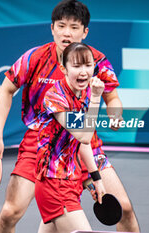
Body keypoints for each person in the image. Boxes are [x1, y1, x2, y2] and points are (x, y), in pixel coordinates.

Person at [0, 0, 140, 232]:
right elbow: (6, 90)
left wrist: (115, 115)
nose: (67, 33)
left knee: (124, 208)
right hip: (43, 143)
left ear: (85, 31)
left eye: (74, 27)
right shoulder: (35, 58)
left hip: (83, 142)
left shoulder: (95, 61)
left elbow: (113, 98)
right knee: (11, 212)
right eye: (61, 26)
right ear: (52, 28)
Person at [35, 42, 106, 233]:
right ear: (63, 69)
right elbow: (83, 135)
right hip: (54, 183)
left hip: (70, 182)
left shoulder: (82, 96)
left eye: (88, 65)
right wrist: (97, 99)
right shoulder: (55, 97)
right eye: (76, 66)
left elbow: (82, 145)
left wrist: (95, 178)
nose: (83, 72)